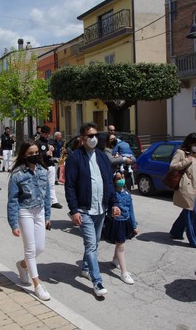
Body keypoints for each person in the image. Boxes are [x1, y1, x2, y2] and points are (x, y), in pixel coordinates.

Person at [65, 122, 120, 297]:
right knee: (91, 245)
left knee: (94, 243)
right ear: (82, 138)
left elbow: (108, 183)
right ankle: (97, 282)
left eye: (96, 135)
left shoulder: (102, 157)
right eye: (90, 136)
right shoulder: (75, 158)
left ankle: (85, 268)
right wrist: (74, 210)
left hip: (100, 209)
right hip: (84, 210)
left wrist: (114, 204)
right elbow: (70, 186)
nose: (94, 139)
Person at [7, 141, 52, 301]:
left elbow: (47, 195)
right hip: (24, 211)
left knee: (40, 248)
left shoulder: (43, 171)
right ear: (24, 156)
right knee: (31, 249)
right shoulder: (17, 174)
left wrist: (47, 216)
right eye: (30, 154)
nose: (34, 156)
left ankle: (22, 265)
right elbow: (12, 200)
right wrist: (13, 223)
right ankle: (38, 285)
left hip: (39, 211)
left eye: (36, 153)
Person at [169, 133, 196, 248]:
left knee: (188, 211)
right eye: (195, 144)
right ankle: (194, 239)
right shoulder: (181, 153)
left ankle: (176, 231)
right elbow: (172, 166)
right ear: (189, 144)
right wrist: (186, 161)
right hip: (187, 188)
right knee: (191, 213)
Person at [102, 171, 138, 285]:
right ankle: (124, 272)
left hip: (125, 222)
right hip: (116, 223)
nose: (121, 180)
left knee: (120, 243)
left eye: (122, 177)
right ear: (113, 181)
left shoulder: (127, 194)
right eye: (118, 178)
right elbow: (107, 208)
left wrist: (134, 224)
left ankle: (115, 259)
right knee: (121, 245)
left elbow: (131, 210)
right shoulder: (111, 195)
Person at [36, 125, 63, 209]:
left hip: (50, 165)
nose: (48, 135)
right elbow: (36, 154)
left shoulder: (48, 141)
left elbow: (51, 149)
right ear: (43, 133)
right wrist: (45, 153)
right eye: (47, 134)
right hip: (42, 165)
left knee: (51, 184)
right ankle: (41, 200)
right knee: (41, 184)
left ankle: (53, 201)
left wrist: (51, 148)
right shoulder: (38, 143)